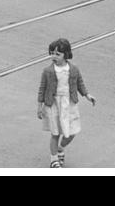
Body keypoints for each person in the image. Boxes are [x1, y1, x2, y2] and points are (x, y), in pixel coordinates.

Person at [37, 38, 95, 168]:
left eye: (57, 54)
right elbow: (42, 88)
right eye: (52, 53)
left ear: (66, 54)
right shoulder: (48, 71)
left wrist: (87, 95)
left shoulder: (73, 69)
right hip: (53, 104)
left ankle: (60, 149)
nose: (54, 56)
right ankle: (54, 160)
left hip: (69, 104)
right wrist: (39, 106)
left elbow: (80, 83)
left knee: (72, 132)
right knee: (55, 133)